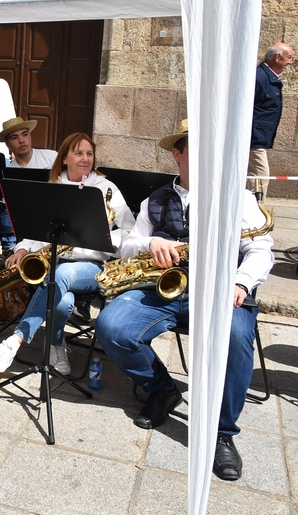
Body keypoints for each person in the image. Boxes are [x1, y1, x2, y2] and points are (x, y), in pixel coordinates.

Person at [95, 119, 273, 482]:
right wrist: (150, 243)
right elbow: (126, 244)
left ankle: (222, 432)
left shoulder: (237, 197)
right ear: (177, 153)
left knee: (238, 339)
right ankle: (164, 389)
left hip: (222, 291)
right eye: (197, 147)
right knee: (111, 326)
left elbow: (261, 249)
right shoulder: (154, 199)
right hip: (162, 287)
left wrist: (240, 283)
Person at [0, 133, 135, 375]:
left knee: (61, 273)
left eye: (89, 153)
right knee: (62, 304)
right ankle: (55, 344)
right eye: (78, 153)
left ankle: (15, 341)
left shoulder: (106, 188)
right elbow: (39, 227)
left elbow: (130, 231)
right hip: (55, 261)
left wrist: (101, 242)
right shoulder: (54, 185)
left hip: (91, 266)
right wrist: (22, 247)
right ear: (64, 158)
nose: (85, 158)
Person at [249, 42, 292, 197]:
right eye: (289, 57)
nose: (291, 62)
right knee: (261, 177)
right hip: (254, 137)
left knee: (254, 178)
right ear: (277, 57)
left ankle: (249, 213)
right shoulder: (259, 77)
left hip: (260, 137)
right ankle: (257, 215)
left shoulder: (269, 77)